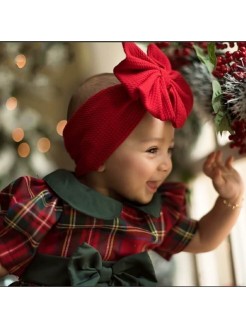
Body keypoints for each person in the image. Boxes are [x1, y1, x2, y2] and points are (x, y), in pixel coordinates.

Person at [0, 42, 244, 286]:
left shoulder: (149, 217)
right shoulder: (48, 206)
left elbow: (202, 237)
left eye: (168, 150)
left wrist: (230, 200)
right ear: (100, 154)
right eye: (152, 150)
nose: (166, 165)